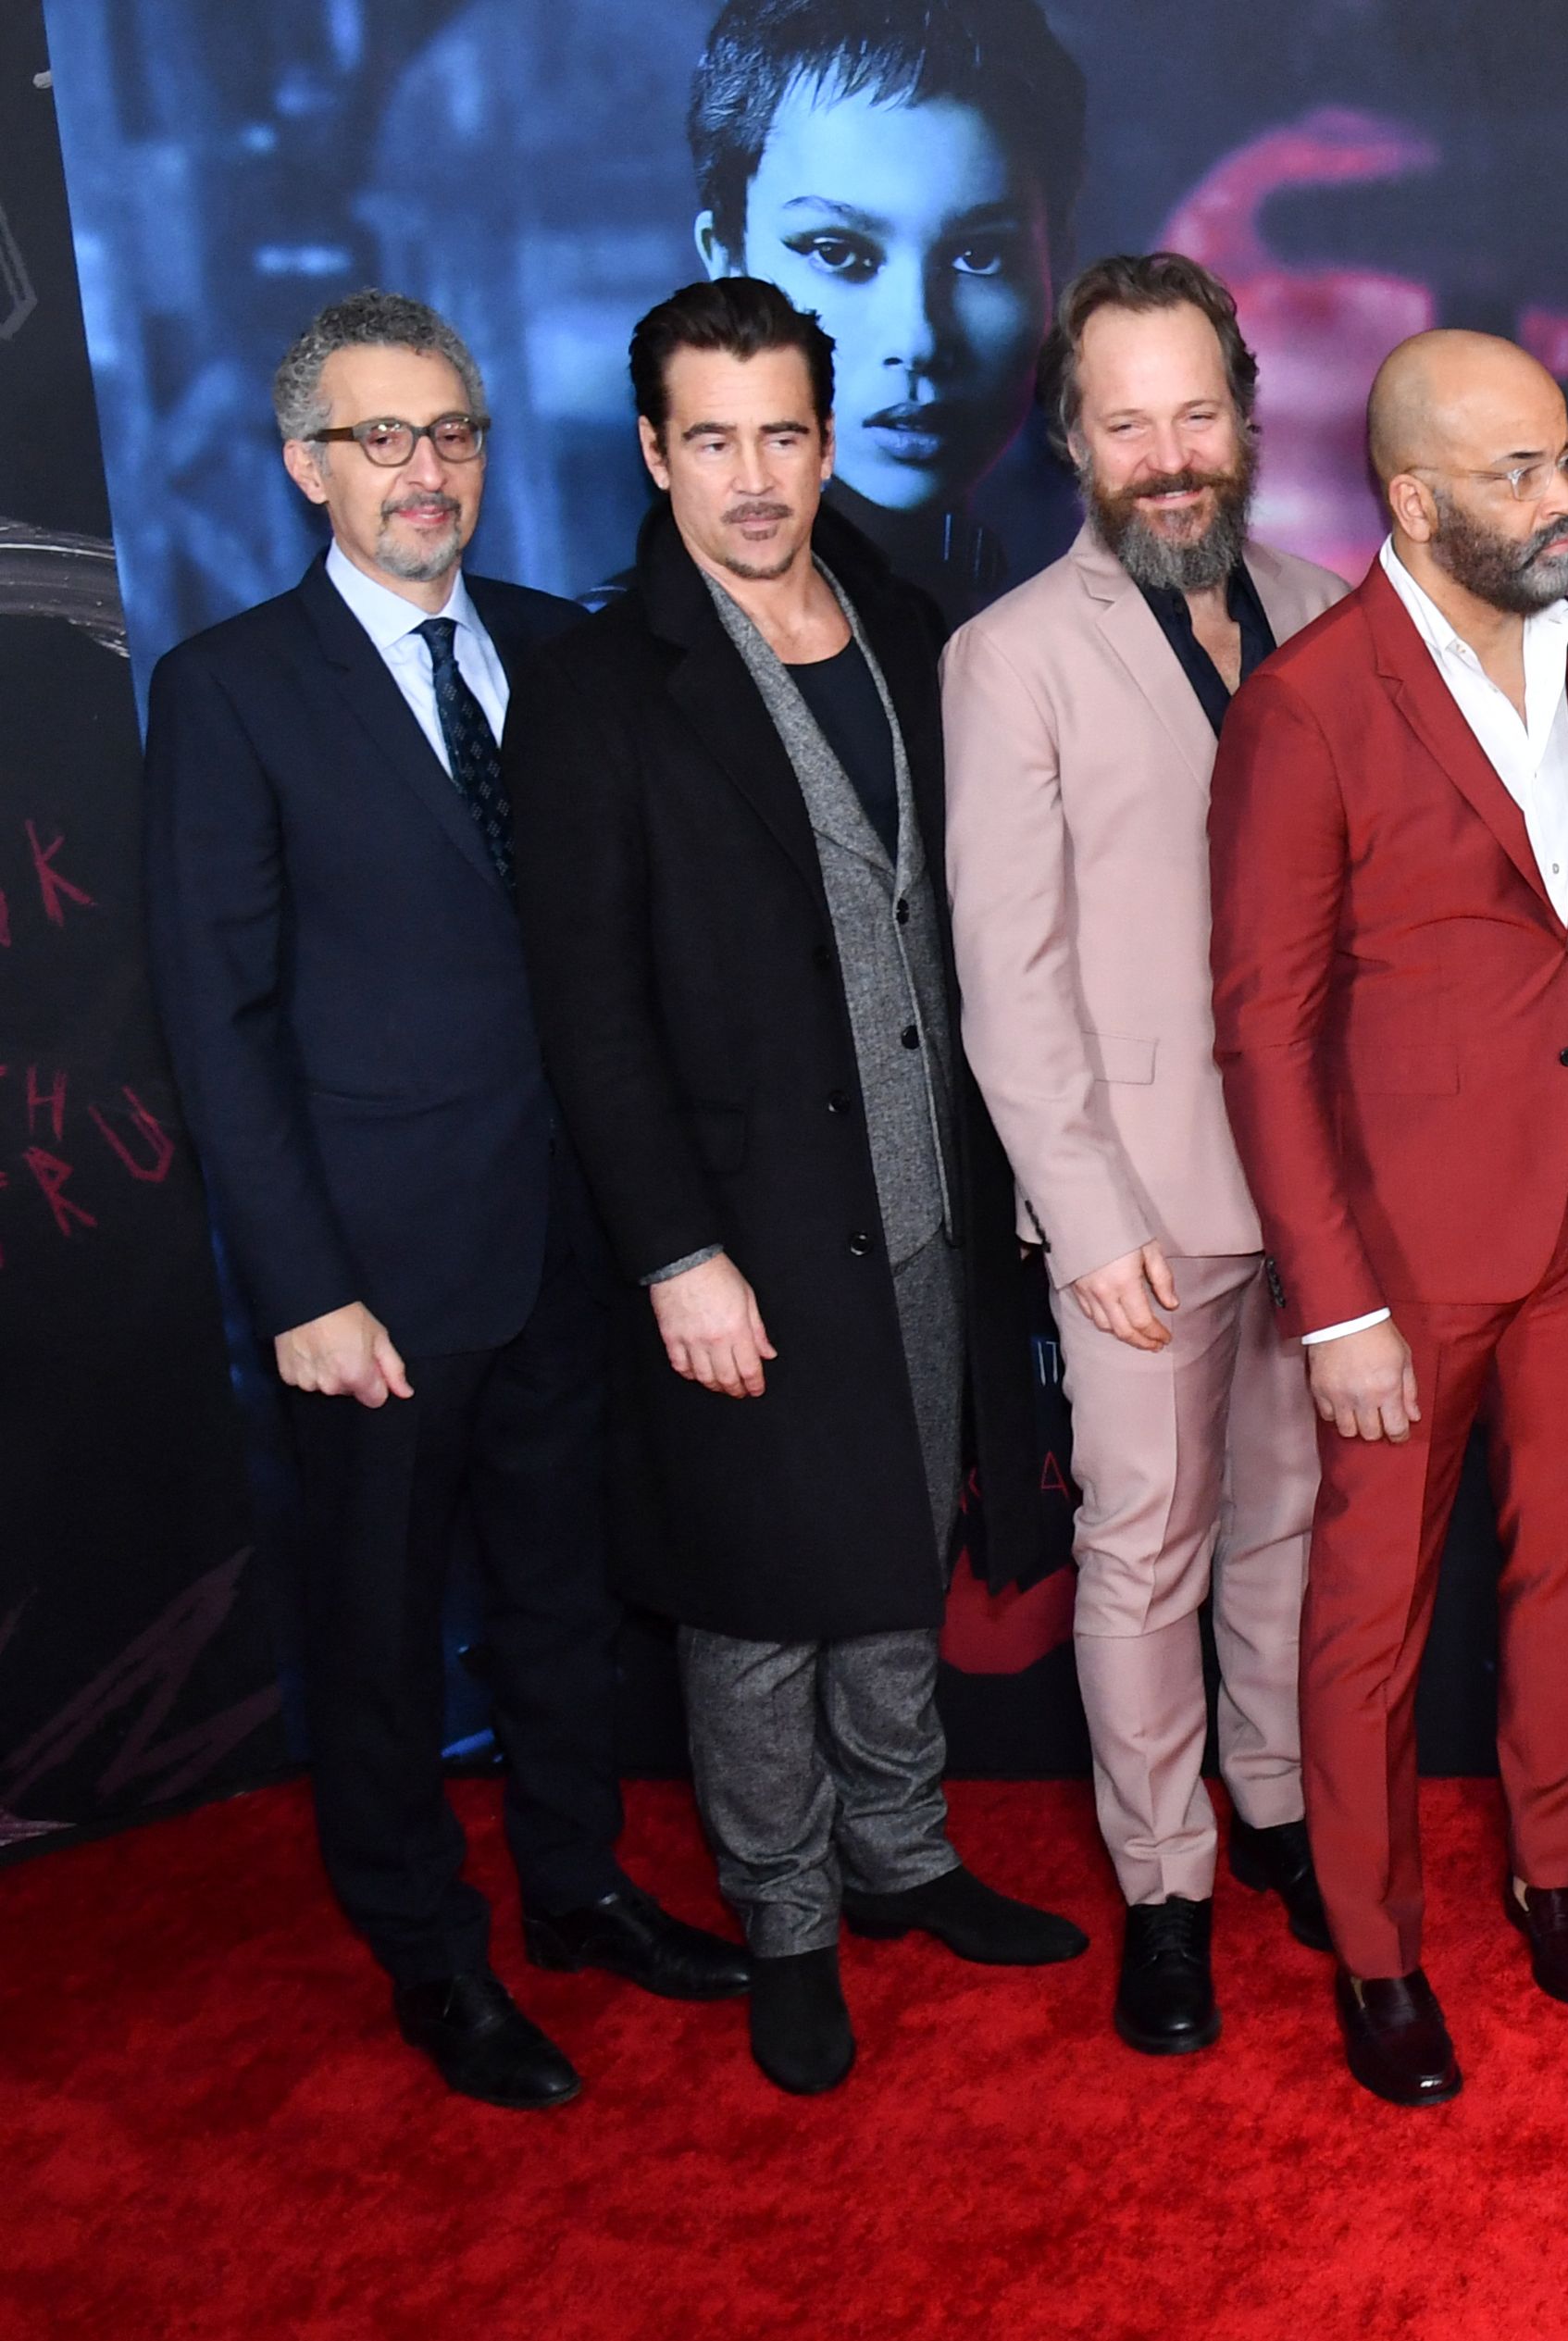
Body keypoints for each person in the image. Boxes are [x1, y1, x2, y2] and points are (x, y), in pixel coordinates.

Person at [139, 293, 745, 2111]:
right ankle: (430, 1950)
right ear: (307, 465)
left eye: (454, 434)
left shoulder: (560, 649)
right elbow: (214, 1016)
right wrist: (305, 1283)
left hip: (574, 1235)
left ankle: (575, 1890)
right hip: (378, 1277)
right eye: (383, 439)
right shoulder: (232, 686)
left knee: (565, 1596)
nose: (426, 472)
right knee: (385, 1631)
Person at [513, 277, 1084, 2098]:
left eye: (782, 434)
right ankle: (784, 1912)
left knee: (898, 1542)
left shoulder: (914, 629)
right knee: (759, 1594)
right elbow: (586, 1010)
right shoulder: (601, 689)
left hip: (923, 1202)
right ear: (655, 452)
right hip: (738, 1231)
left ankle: (901, 1853)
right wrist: (675, 1249)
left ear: (822, 442)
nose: (754, 476)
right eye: (713, 438)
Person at [1208, 329, 1568, 2110]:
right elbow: (1263, 1025)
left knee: (1566, 1570)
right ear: (1411, 496)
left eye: (1567, 464)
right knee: (1370, 1616)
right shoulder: (1307, 705)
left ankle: (1553, 1869)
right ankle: (1378, 1950)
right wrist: (1334, 1304)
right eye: (1519, 476)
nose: (1562, 504)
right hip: (1396, 1253)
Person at [943, 253, 1350, 2058]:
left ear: (1247, 419)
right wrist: (1081, 1214)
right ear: (1075, 441)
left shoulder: (1337, 610)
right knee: (1146, 1549)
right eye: (1129, 420)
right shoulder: (1009, 656)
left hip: (1315, 1194)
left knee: (1285, 1525)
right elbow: (1004, 976)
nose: (1169, 450)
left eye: (1197, 411)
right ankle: (1167, 1880)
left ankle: (1270, 1810)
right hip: (1137, 1205)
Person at [688, 0, 1083, 619]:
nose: (918, 337)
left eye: (980, 255)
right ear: (728, 264)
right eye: (836, 253)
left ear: (1051, 263)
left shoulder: (1103, 619)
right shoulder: (613, 677)